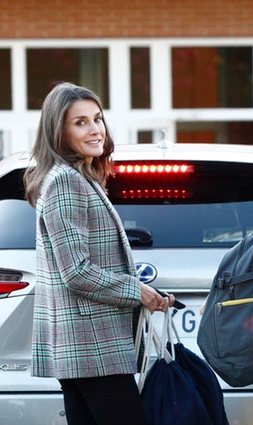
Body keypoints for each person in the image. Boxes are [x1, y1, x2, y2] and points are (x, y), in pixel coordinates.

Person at [24, 82, 174, 425]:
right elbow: (75, 271)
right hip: (92, 346)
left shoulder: (80, 176)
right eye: (80, 122)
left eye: (97, 118)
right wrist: (138, 291)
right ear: (57, 130)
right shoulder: (66, 181)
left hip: (88, 346)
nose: (95, 130)